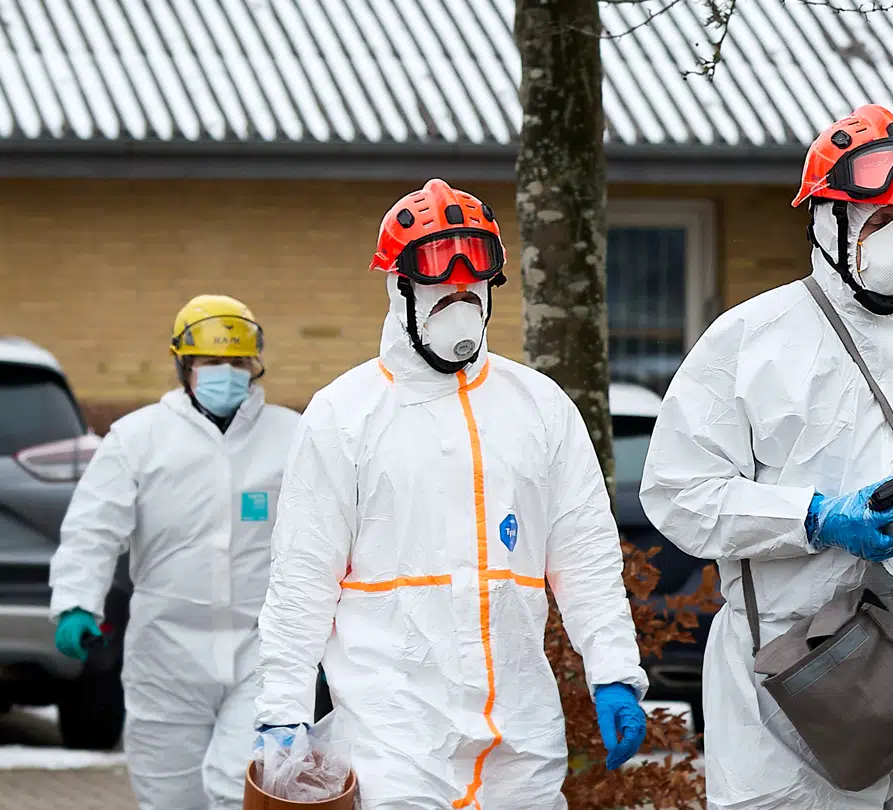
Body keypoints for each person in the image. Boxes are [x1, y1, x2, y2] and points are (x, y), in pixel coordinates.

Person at [640, 105, 893, 810]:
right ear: (827, 222)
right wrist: (815, 518)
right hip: (802, 667)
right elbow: (680, 492)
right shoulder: (750, 340)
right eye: (878, 218)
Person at [252, 179, 649, 809]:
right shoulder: (343, 415)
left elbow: (586, 555)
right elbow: (302, 575)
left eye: (473, 287)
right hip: (394, 730)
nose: (459, 301)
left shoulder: (539, 407)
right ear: (399, 288)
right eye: (441, 287)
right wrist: (284, 706)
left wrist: (614, 671)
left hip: (520, 731)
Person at [49, 295, 301, 810]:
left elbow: (327, 532)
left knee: (239, 786)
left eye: (238, 361)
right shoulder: (139, 438)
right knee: (169, 796)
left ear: (255, 365)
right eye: (212, 361)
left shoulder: (292, 436)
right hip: (165, 652)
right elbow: (94, 526)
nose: (227, 373)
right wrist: (76, 601)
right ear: (184, 364)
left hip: (261, 649)